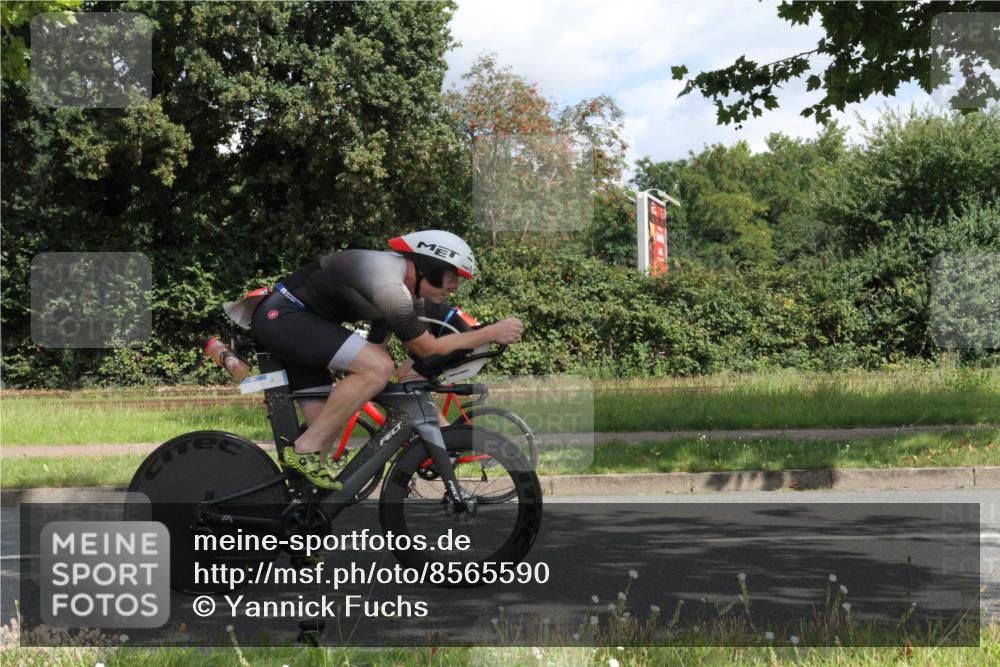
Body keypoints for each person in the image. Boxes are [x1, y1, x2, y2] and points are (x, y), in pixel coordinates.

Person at [247, 230, 523, 489]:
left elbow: (378, 346)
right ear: (429, 267)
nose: (454, 288)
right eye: (453, 276)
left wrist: (362, 383)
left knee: (331, 421)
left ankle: (300, 510)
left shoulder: (404, 290)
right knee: (378, 370)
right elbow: (427, 348)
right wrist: (489, 332)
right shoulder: (391, 286)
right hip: (284, 318)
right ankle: (303, 451)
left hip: (300, 324)